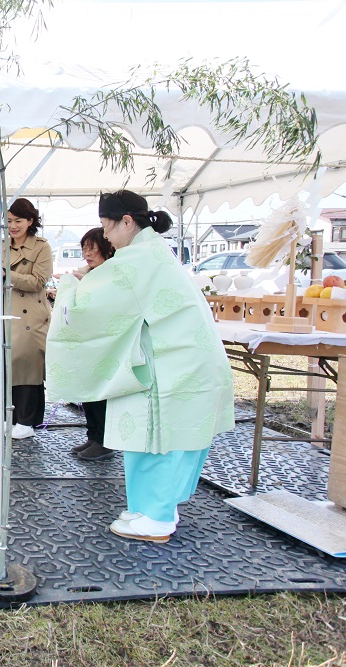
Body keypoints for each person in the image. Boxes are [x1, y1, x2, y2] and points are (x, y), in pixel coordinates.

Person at [47, 190, 234, 543]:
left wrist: (71, 283)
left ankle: (157, 516)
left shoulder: (136, 260)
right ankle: (155, 508)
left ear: (127, 222)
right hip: (181, 359)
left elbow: (90, 305)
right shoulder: (151, 253)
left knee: (158, 439)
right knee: (168, 438)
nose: (104, 235)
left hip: (173, 364)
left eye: (107, 227)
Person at [0, 198, 52, 439]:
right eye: (9, 221)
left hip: (29, 316)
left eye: (18, 221)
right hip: (2, 314)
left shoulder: (42, 247)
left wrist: (5, 275)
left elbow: (39, 282)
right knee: (0, 367)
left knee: (26, 368)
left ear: (30, 221)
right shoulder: (1, 246)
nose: (13, 226)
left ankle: (26, 421)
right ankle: (3, 418)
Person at [66, 227, 115, 461]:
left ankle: (105, 441)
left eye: (92, 247)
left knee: (101, 392)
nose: (87, 252)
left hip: (105, 341)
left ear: (106, 247)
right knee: (88, 389)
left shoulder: (112, 272)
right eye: (84, 247)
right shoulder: (87, 272)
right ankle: (93, 435)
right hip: (85, 339)